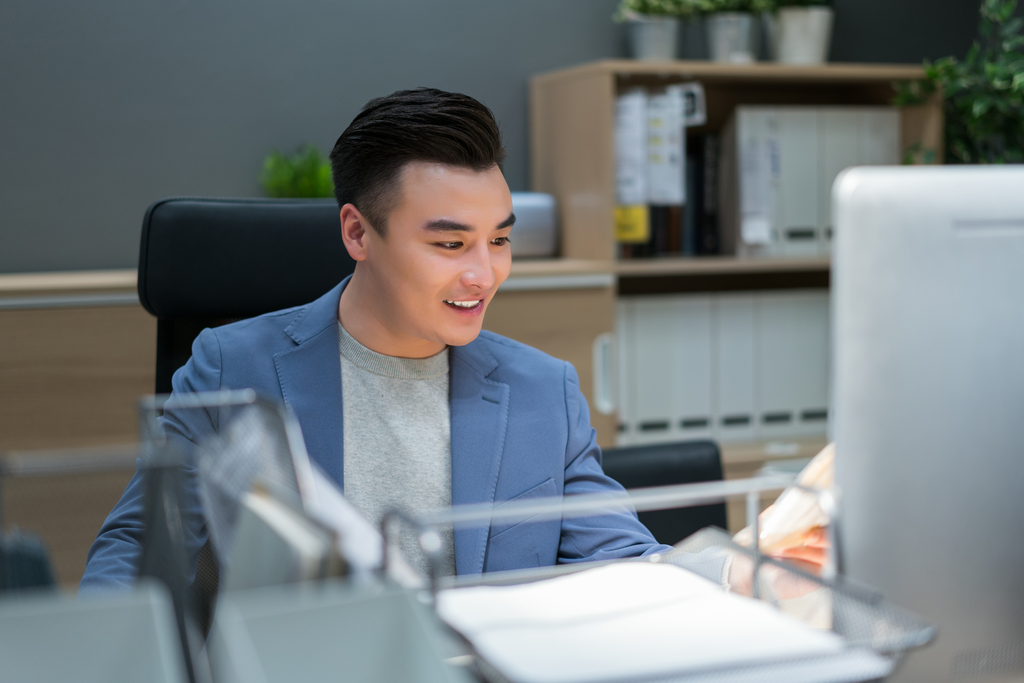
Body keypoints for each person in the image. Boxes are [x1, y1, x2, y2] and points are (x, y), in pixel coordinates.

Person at [81, 88, 823, 591]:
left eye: (499, 239)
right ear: (356, 232)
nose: (484, 273)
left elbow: (624, 559)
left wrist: (739, 566)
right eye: (449, 243)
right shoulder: (232, 366)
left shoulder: (542, 389)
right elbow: (136, 554)